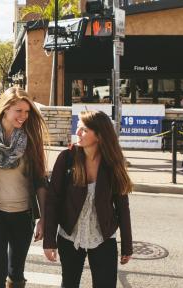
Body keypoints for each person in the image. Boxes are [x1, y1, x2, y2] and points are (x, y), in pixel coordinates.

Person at [0, 87, 49, 288]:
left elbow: (40, 181)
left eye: (27, 111)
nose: (23, 116)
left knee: (16, 273)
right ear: (5, 109)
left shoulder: (31, 138)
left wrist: (43, 220)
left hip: (24, 215)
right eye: (18, 111)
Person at [43, 110, 133, 288]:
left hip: (103, 237)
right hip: (70, 237)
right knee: (69, 284)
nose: (77, 133)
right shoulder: (67, 158)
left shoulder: (112, 163)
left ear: (99, 135)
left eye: (83, 130)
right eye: (78, 128)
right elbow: (53, 200)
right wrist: (49, 240)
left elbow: (122, 206)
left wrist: (127, 245)